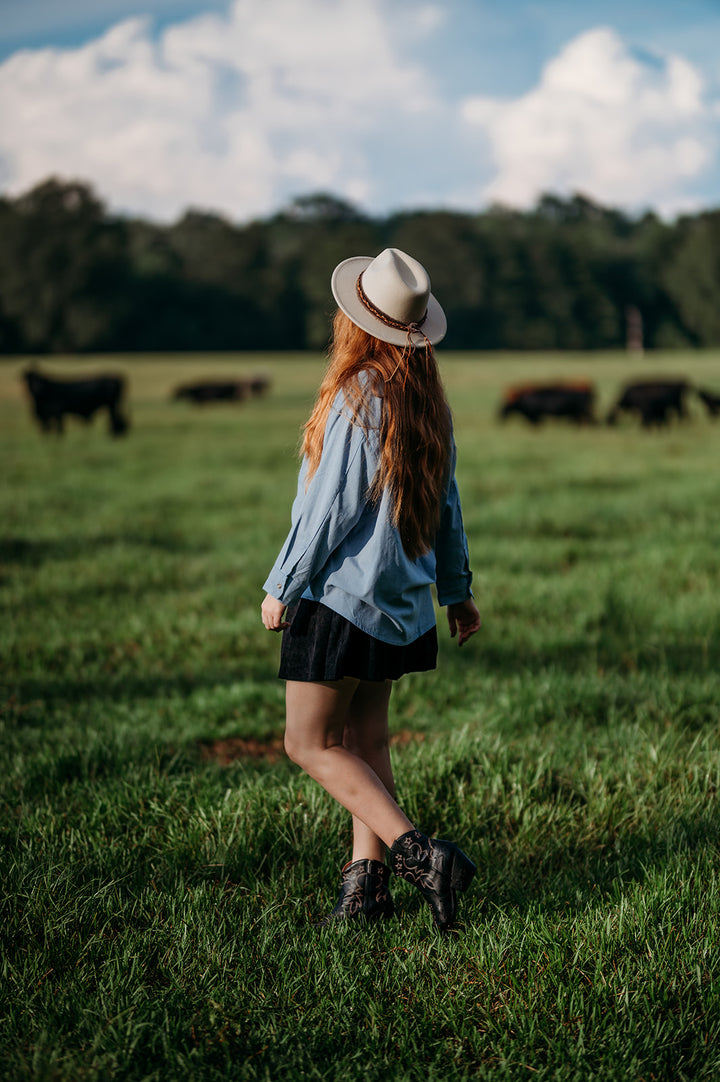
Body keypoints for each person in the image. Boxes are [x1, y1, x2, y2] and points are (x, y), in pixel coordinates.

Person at [261, 247, 481, 932]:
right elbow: (448, 508)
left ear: (357, 318)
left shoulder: (357, 392)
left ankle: (423, 856)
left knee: (309, 743)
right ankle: (365, 893)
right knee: (365, 738)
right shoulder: (427, 400)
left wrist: (281, 585)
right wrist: (457, 590)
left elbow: (328, 511)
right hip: (402, 604)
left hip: (341, 601)